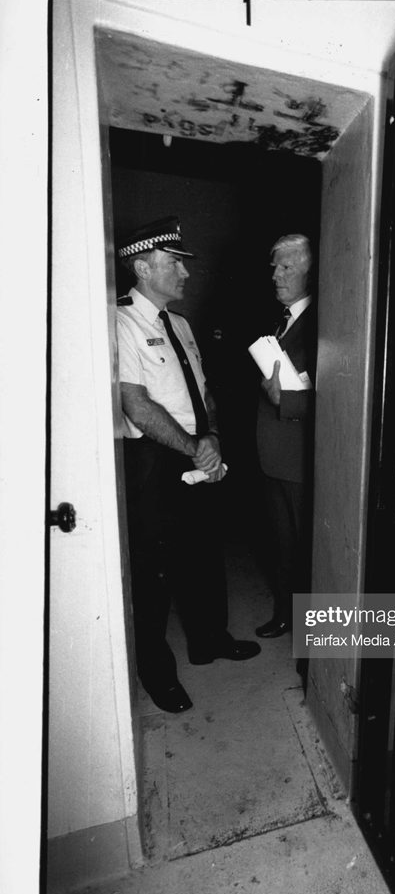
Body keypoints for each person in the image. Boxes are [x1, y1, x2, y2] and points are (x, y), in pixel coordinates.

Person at [116, 216, 260, 714]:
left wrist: (212, 436)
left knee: (204, 550)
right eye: (174, 263)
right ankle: (157, 672)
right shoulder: (120, 323)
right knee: (154, 570)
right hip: (156, 459)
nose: (186, 273)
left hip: (199, 448)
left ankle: (209, 639)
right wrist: (194, 447)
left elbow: (203, 393)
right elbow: (136, 404)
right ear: (142, 267)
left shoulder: (180, 324)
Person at [255, 234, 317, 641]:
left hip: (300, 459)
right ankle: (284, 614)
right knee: (281, 545)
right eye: (274, 267)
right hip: (274, 457)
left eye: (286, 267)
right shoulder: (282, 318)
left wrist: (286, 400)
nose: (276, 275)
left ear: (310, 271)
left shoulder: (324, 321)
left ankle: (310, 631)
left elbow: (340, 401)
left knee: (303, 548)